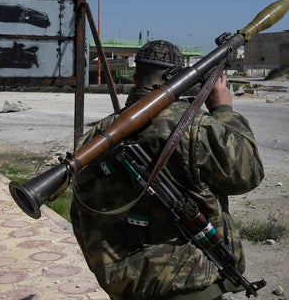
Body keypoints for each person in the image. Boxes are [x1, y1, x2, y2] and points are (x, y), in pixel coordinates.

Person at [70, 40, 264, 300]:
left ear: (137, 77)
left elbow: (83, 216)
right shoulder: (195, 128)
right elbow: (248, 173)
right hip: (192, 288)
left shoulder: (98, 137)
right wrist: (223, 109)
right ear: (180, 78)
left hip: (126, 288)